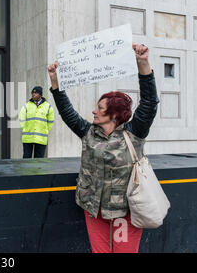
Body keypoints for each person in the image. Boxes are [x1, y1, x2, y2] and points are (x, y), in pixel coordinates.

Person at [47, 43, 159, 253]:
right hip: (94, 210)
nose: (94, 111)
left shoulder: (133, 133)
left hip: (125, 213)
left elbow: (150, 102)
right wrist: (55, 82)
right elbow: (66, 112)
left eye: (100, 108)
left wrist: (143, 63)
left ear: (114, 115)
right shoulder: (89, 132)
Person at [18, 86, 55, 158]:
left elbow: (51, 121)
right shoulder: (27, 106)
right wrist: (24, 128)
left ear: (40, 95)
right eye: (32, 93)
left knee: (39, 161)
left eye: (36, 93)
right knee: (26, 159)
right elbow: (21, 118)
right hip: (27, 137)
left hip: (41, 138)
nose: (33, 94)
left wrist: (46, 130)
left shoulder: (48, 107)